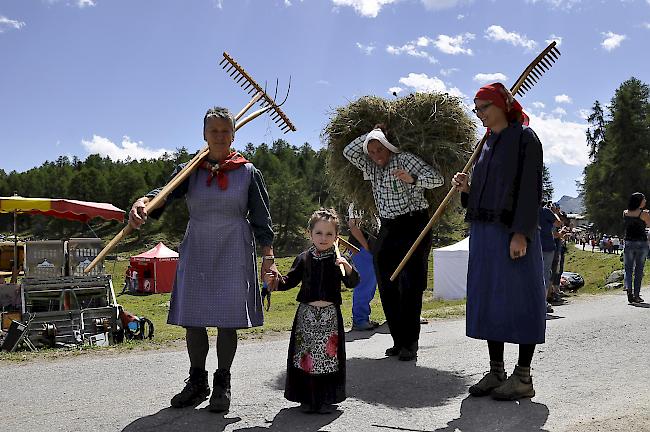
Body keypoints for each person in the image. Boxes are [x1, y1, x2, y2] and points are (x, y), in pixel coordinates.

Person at [128, 106, 280, 413]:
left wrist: (269, 258)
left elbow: (262, 218)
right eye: (214, 131)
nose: (220, 136)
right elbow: (163, 194)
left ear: (234, 135)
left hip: (234, 248)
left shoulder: (248, 172)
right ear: (204, 134)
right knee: (193, 319)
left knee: (228, 322)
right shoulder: (190, 170)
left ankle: (222, 384)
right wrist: (142, 201)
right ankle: (197, 383)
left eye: (226, 131)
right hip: (197, 246)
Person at [452, 82, 545, 400]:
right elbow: (487, 192)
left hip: (512, 233)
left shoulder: (524, 138)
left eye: (484, 108)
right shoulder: (486, 144)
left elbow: (530, 189)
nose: (479, 115)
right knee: (491, 299)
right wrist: (468, 189)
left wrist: (521, 233)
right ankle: (496, 371)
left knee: (519, 300)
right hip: (484, 234)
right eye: (475, 110)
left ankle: (523, 377)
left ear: (501, 106)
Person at [343, 124, 444, 361]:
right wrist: (371, 131)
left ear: (389, 147)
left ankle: (411, 343)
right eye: (372, 151)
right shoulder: (370, 166)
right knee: (386, 280)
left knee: (410, 283)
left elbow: (437, 179)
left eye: (380, 149)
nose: (377, 155)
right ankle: (398, 341)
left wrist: (413, 179)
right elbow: (349, 151)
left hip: (414, 224)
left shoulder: (405, 159)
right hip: (388, 226)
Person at [270, 208, 359, 414]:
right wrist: (275, 281)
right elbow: (289, 281)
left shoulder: (339, 260)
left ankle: (325, 399)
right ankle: (307, 398)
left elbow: (352, 282)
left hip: (329, 318)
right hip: (306, 318)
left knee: (327, 359)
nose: (323, 238)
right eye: (318, 233)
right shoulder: (303, 258)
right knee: (306, 359)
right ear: (310, 234)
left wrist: (348, 267)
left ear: (337, 237)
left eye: (329, 234)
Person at [347, 205, 379, 331]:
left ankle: (364, 318)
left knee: (374, 284)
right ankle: (359, 320)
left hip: (373, 247)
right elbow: (353, 226)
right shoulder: (358, 202)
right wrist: (366, 247)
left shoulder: (375, 201)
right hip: (360, 248)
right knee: (365, 284)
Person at [622, 192, 650, 303]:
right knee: (639, 270)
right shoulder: (644, 214)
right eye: (644, 199)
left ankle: (629, 290)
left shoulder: (625, 212)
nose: (645, 201)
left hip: (629, 242)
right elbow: (648, 225)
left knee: (628, 269)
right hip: (641, 243)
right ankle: (636, 295)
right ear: (639, 201)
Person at [539, 202, 561, 312]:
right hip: (547, 247)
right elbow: (558, 223)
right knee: (545, 274)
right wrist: (554, 211)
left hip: (534, 246)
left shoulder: (529, 210)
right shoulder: (545, 211)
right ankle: (542, 303)